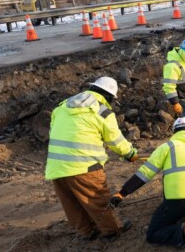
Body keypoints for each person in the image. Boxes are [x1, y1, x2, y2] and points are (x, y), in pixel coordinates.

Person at [45, 76, 139, 239]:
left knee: (71, 203)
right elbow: (115, 140)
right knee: (97, 198)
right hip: (84, 165)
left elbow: (56, 128)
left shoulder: (63, 105)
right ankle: (112, 229)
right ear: (109, 96)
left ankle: (87, 232)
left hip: (56, 166)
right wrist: (130, 153)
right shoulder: (102, 109)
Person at [109, 117, 185, 248]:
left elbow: (144, 174)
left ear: (174, 132)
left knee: (154, 233)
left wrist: (122, 193)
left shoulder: (167, 147)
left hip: (178, 199)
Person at [162, 39, 185, 130]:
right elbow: (169, 86)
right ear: (183, 52)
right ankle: (183, 136)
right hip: (182, 99)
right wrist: (175, 102)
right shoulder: (172, 66)